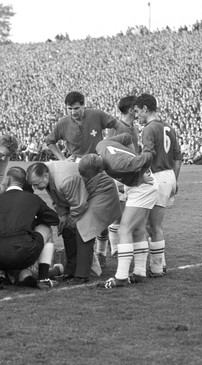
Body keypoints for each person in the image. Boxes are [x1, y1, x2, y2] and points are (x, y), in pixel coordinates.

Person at [79, 135, 158, 288]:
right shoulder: (101, 145)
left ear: (99, 170)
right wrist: (132, 160)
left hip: (143, 188)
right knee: (138, 230)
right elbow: (127, 137)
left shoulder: (118, 164)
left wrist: (140, 173)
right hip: (139, 188)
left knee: (124, 230)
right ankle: (139, 272)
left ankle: (121, 277)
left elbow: (148, 156)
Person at [27, 161, 120, 284]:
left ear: (45, 175)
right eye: (33, 185)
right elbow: (57, 199)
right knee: (67, 229)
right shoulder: (45, 173)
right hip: (83, 194)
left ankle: (81, 275)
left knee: (84, 229)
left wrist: (69, 219)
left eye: (37, 184)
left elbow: (79, 205)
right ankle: (70, 271)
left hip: (101, 191)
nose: (35, 188)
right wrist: (63, 217)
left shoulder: (65, 180)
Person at [0, 167, 59, 290]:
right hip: (24, 254)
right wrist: (32, 221)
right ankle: (43, 278)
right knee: (46, 228)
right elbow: (54, 219)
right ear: (24, 182)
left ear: (8, 180)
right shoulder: (32, 198)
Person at [134, 93, 182, 277]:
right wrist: (175, 181)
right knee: (153, 225)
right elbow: (178, 157)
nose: (137, 115)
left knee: (152, 226)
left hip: (157, 176)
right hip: (169, 175)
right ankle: (160, 264)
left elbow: (147, 156)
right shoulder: (168, 127)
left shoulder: (149, 129)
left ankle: (156, 268)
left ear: (145, 109)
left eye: (138, 111)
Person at [106, 95, 141, 258]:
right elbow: (109, 149)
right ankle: (114, 248)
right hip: (119, 173)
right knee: (118, 212)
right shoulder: (116, 126)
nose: (139, 110)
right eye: (136, 108)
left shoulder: (133, 127)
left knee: (128, 211)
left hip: (131, 172)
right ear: (130, 110)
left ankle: (119, 245)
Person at [44, 91, 123, 161]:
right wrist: (63, 159)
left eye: (76, 108)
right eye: (69, 109)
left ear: (83, 105)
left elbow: (118, 126)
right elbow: (50, 141)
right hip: (75, 161)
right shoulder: (62, 123)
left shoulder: (96, 115)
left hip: (97, 159)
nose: (73, 112)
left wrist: (113, 143)